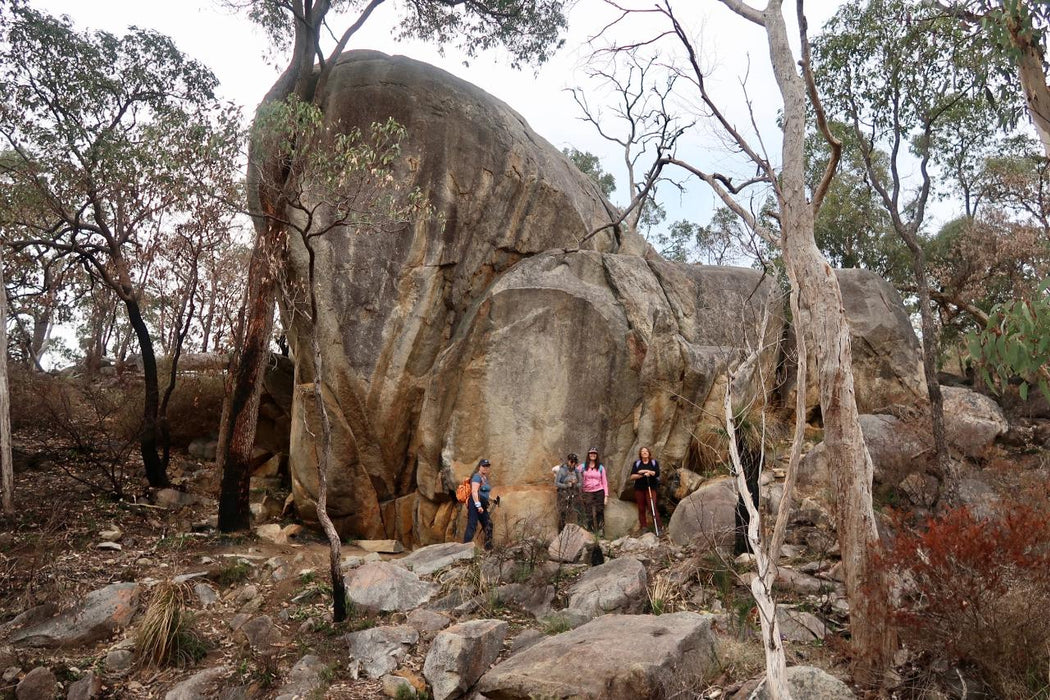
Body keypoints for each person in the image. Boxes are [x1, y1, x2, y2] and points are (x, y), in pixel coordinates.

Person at [463, 458, 494, 550]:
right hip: (475, 504)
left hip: (482, 504)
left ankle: (488, 547)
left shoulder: (484, 478)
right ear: (479, 466)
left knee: (489, 524)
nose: (485, 468)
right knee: (472, 525)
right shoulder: (476, 477)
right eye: (483, 466)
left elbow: (483, 493)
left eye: (487, 466)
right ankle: (464, 548)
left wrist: (493, 500)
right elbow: (474, 492)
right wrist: (478, 505)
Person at [629, 446, 662, 533]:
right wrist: (643, 474)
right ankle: (644, 527)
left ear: (649, 453)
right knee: (641, 508)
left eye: (646, 451)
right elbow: (632, 476)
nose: (644, 452)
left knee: (652, 507)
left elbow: (657, 473)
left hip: (651, 487)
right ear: (640, 454)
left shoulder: (654, 463)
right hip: (639, 488)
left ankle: (658, 526)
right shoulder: (637, 463)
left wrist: (649, 472)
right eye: (642, 451)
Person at [580, 448, 608, 536]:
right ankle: (590, 530)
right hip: (587, 491)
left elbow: (604, 481)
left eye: (595, 453)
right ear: (588, 455)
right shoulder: (583, 466)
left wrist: (606, 496)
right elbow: (575, 472)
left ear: (597, 455)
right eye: (591, 453)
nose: (593, 455)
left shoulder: (600, 467)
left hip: (599, 490)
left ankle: (601, 530)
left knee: (600, 510)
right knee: (588, 510)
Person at [554, 453, 582, 530]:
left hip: (573, 494)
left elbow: (580, 483)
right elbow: (556, 483)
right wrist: (566, 485)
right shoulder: (562, 470)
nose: (572, 463)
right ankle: (560, 533)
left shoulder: (577, 472)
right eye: (571, 461)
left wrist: (575, 484)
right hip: (562, 494)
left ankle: (573, 532)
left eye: (574, 462)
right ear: (568, 461)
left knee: (574, 512)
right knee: (562, 513)